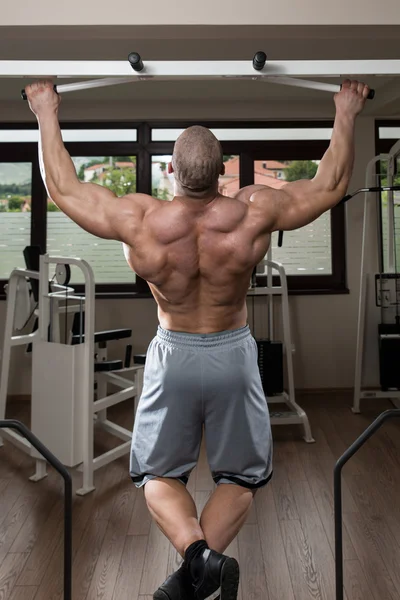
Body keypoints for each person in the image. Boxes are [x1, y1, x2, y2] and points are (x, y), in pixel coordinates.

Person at [25, 78, 369, 600]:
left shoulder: (140, 220)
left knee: (158, 476)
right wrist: (345, 113)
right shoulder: (254, 211)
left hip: (173, 352)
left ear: (171, 171)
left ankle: (196, 561)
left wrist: (46, 111)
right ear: (224, 170)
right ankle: (197, 573)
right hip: (232, 351)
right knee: (241, 478)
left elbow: (63, 188)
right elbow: (329, 184)